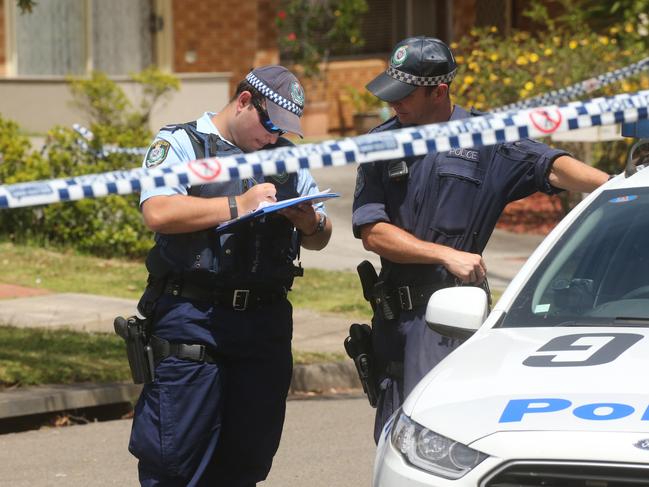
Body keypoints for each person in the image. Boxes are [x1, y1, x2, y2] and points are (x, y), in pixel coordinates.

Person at [352, 36, 609, 442]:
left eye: (404, 95)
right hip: (394, 320)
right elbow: (373, 232)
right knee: (392, 436)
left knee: (440, 435)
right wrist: (445, 254)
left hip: (453, 315)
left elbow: (553, 167)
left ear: (438, 91)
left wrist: (618, 187)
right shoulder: (382, 143)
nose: (393, 104)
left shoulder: (486, 138)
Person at [128, 65, 332, 486]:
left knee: (247, 462)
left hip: (264, 325)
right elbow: (159, 211)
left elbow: (321, 235)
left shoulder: (282, 158)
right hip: (194, 319)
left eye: (284, 131)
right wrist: (239, 205)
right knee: (176, 463)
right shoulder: (182, 144)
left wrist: (308, 221)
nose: (274, 138)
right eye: (270, 125)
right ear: (243, 102)